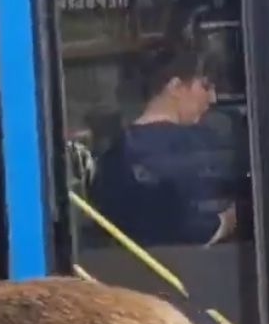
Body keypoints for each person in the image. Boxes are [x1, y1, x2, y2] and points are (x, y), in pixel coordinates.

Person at [87, 43, 238, 249]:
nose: (212, 98)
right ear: (175, 87)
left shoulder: (112, 154)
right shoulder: (202, 145)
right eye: (205, 86)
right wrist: (228, 221)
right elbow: (191, 229)